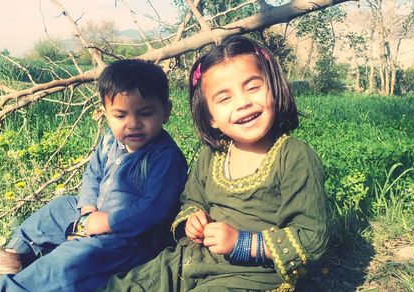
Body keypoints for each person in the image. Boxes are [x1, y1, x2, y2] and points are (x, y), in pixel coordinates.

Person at [0, 59, 188, 291]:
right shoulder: (109, 141)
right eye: (120, 115)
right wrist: (87, 207)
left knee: (69, 260)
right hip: (96, 218)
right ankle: (14, 254)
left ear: (166, 112)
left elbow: (152, 210)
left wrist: (107, 223)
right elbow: (93, 175)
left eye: (145, 113)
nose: (133, 124)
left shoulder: (165, 157)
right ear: (105, 114)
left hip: (131, 242)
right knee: (60, 207)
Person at [105, 36, 329, 292]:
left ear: (275, 89)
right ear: (210, 116)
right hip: (191, 261)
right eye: (224, 98)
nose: (243, 103)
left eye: (253, 87)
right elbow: (192, 201)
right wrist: (193, 220)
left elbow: (312, 238)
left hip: (250, 276)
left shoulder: (294, 156)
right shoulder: (212, 155)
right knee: (126, 285)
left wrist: (241, 243)